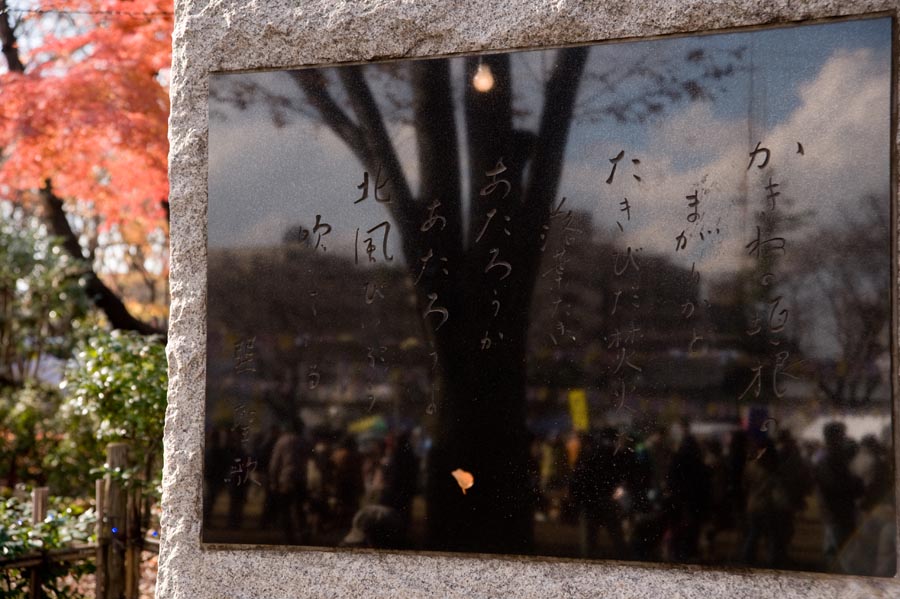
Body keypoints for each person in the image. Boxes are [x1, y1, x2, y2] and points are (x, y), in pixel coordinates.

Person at [814, 421, 864, 568]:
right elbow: (837, 487)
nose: (843, 438)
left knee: (835, 548)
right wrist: (856, 484)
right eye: (841, 435)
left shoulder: (829, 459)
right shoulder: (830, 460)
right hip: (838, 511)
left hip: (835, 511)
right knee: (842, 553)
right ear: (834, 437)